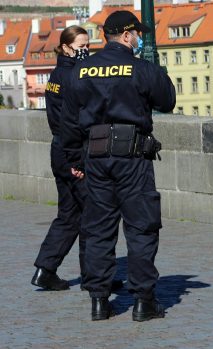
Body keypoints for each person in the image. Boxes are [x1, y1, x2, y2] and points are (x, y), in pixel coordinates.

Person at [61, 11, 175, 321]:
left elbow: (68, 121)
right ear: (126, 36)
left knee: (98, 228)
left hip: (95, 157)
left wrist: (75, 159)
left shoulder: (81, 71)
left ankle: (99, 300)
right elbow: (167, 101)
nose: (139, 39)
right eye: (137, 34)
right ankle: (143, 300)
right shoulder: (141, 68)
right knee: (141, 227)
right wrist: (158, 74)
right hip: (133, 158)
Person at [32, 26, 123, 293]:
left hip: (59, 152)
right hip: (74, 153)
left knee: (69, 215)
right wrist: (78, 162)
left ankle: (45, 270)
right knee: (95, 216)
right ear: (66, 47)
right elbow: (73, 122)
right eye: (81, 47)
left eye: (88, 46)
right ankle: (94, 277)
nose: (86, 51)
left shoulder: (57, 74)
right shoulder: (73, 76)